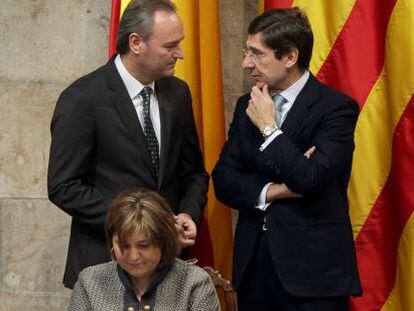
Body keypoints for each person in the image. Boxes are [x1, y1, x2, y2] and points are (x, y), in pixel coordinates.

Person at [48, 0, 208, 289]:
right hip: (104, 266)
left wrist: (187, 213)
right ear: (136, 43)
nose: (180, 54)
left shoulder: (178, 93)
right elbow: (64, 187)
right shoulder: (83, 98)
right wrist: (138, 222)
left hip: (168, 267)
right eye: (170, 46)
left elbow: (193, 172)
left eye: (180, 44)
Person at [212, 7, 362, 311]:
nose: (246, 63)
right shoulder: (247, 105)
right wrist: (277, 190)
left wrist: (270, 128)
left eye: (257, 53)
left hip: (313, 277)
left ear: (290, 57)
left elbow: (309, 178)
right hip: (255, 269)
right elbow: (224, 180)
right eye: (246, 52)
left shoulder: (336, 108)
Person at [68, 188, 219, 310]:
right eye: (124, 245)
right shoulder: (90, 281)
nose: (133, 256)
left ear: (163, 241)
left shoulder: (194, 282)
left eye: (143, 245)